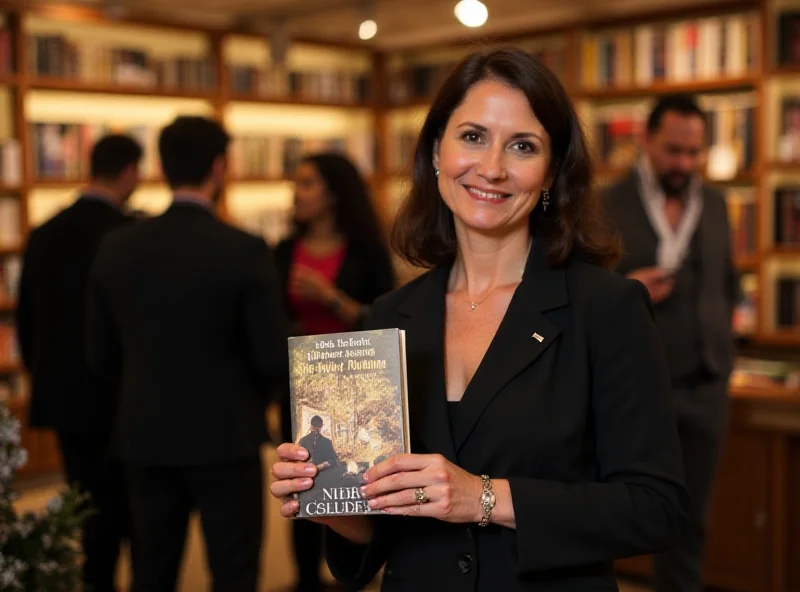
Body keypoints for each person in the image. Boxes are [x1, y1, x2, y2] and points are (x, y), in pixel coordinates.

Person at [268, 47, 690, 591]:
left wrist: (484, 498)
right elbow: (378, 532)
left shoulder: (607, 309)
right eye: (472, 137)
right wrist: (330, 500)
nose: (491, 167)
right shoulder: (388, 315)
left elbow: (657, 508)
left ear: (551, 173)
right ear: (437, 151)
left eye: (522, 146)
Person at [87, 116, 289, 592]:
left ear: (160, 166)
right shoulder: (243, 248)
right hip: (226, 435)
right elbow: (270, 357)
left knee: (151, 571)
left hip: (144, 434)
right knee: (234, 572)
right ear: (220, 167)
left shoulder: (116, 247)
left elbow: (99, 355)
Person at [602, 93, 739, 592]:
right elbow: (580, 294)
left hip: (708, 385)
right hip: (640, 387)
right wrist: (630, 287)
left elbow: (727, 283)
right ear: (645, 140)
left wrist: (725, 350)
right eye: (673, 151)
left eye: (694, 152)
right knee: (631, 514)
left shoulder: (718, 203)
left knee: (693, 519)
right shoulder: (607, 204)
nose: (684, 163)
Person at [16, 134, 141, 592]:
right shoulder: (127, 235)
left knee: (86, 508)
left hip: (66, 398)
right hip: (119, 398)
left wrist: (43, 373)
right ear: (130, 172)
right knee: (132, 515)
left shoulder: (45, 232)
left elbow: (28, 320)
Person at [275, 151, 395, 592]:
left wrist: (330, 297)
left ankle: (355, 573)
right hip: (300, 384)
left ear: (333, 194)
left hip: (356, 384)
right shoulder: (285, 249)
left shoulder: (364, 251)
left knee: (354, 480)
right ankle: (305, 579)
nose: (296, 192)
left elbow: (383, 320)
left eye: (306, 183)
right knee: (301, 482)